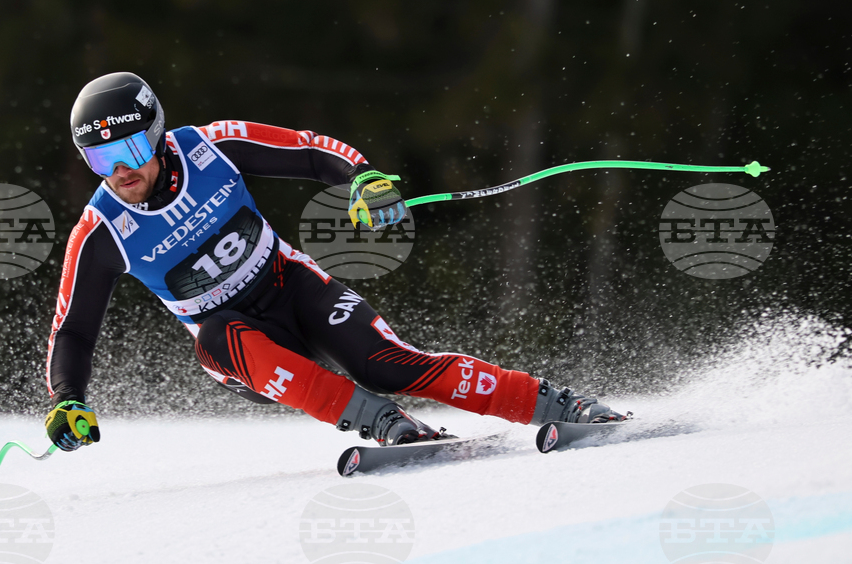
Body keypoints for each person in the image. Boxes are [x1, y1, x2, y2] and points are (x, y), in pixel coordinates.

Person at [44, 72, 626, 451]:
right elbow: (73, 329)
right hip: (241, 345)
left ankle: (556, 403)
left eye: (129, 150)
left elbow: (309, 149)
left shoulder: (209, 147)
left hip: (291, 286)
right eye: (99, 158)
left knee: (389, 365)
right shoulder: (100, 232)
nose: (120, 171)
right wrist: (67, 398)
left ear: (157, 134)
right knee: (216, 335)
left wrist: (362, 178)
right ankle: (383, 424)